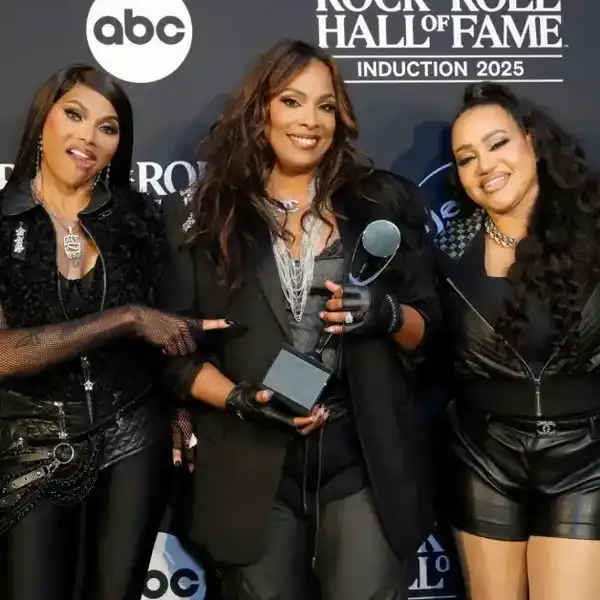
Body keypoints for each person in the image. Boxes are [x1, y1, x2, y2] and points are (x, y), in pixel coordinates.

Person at [161, 39, 439, 600]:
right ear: (261, 109)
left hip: (363, 460)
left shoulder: (379, 205)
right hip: (248, 465)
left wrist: (384, 314)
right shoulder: (206, 215)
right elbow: (174, 353)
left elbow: (430, 331)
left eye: (325, 105)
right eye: (292, 101)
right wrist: (242, 399)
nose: (309, 121)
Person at [0, 64, 230, 600]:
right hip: (29, 443)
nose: (89, 137)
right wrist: (125, 318)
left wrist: (177, 403)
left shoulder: (139, 218)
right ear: (43, 120)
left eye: (108, 127)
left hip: (132, 438)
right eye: (75, 115)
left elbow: (166, 329)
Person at [433, 82, 600, 600]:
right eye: (466, 158)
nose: (484, 165)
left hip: (585, 461)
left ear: (531, 141)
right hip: (483, 460)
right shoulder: (447, 245)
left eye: (498, 143)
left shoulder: (593, 230)